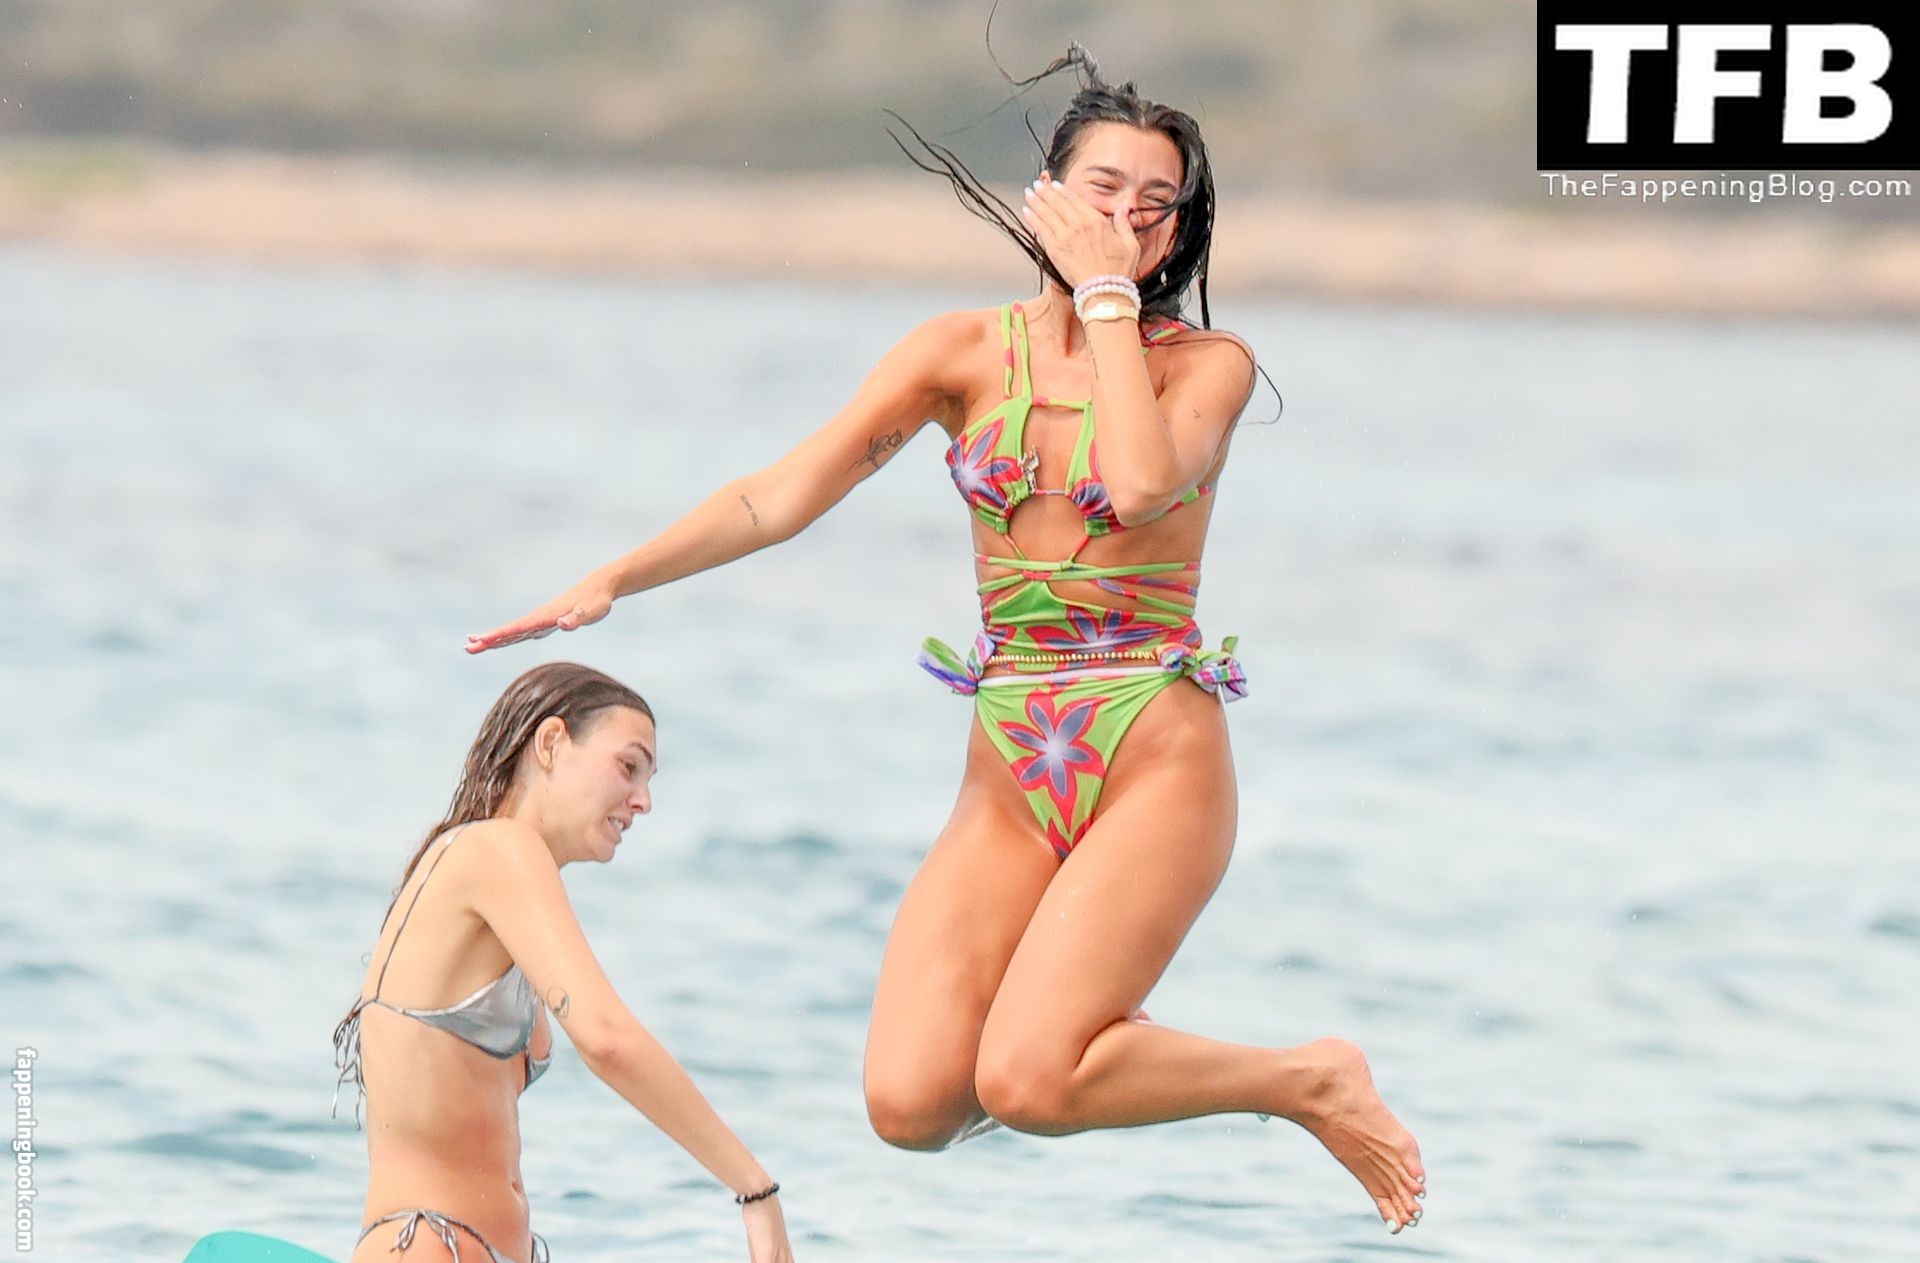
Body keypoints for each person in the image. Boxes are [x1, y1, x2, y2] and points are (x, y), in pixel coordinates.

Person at [469, 54, 1427, 1235]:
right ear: (1049, 197)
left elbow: (1137, 485)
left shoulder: (1209, 368)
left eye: (1156, 202)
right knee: (911, 1101)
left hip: (1154, 752)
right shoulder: (960, 355)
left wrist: (1108, 300)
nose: (1127, 218)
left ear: (1179, 229)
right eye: (1103, 189)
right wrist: (614, 578)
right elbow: (780, 494)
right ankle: (1089, 1048)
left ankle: (1306, 1079)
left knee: (1029, 1080)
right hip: (1010, 760)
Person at [331, 662, 795, 1262]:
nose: (644, 801)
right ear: (550, 743)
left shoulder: (491, 874)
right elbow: (607, 1040)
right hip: (426, 1244)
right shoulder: (498, 849)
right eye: (628, 767)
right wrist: (755, 1190)